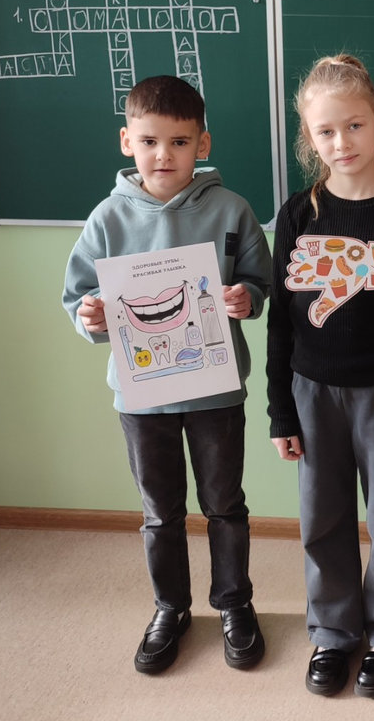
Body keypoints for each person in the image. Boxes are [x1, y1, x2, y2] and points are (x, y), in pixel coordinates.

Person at [63, 74, 271, 676]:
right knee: (160, 510)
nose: (164, 155)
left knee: (224, 503)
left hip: (215, 389)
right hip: (141, 397)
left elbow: (259, 284)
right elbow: (79, 298)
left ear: (202, 144)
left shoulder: (232, 210)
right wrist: (90, 316)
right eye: (150, 141)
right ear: (126, 141)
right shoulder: (107, 218)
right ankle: (171, 608)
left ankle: (234, 603)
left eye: (179, 142)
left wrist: (247, 299)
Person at [266, 54, 374, 699]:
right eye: (327, 131)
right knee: (322, 514)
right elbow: (281, 320)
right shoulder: (298, 213)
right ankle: (333, 631)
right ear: (310, 138)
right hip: (310, 389)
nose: (343, 143)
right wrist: (281, 410)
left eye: (355, 126)